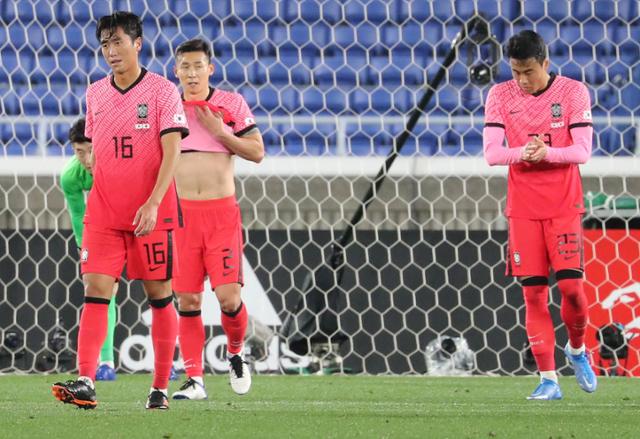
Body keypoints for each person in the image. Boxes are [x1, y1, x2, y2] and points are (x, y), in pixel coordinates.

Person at [51, 11, 188, 410]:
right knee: (95, 290)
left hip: (152, 214)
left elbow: (173, 150)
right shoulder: (95, 94)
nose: (111, 52)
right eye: (105, 45)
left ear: (137, 43)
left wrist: (154, 200)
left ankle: (159, 387)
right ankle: (86, 380)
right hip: (105, 213)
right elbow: (98, 152)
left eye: (118, 43)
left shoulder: (162, 91)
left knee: (159, 296)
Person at [483, 30, 597, 400]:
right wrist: (525, 153)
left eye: (528, 71)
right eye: (515, 71)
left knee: (572, 290)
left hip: (564, 205)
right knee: (533, 295)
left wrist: (545, 154)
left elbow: (581, 152)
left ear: (545, 63)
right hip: (523, 210)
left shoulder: (573, 92)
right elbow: (492, 154)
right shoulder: (499, 94)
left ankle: (577, 350)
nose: (521, 80)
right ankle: (549, 380)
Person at [169, 38, 264, 400]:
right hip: (181, 217)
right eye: (185, 67)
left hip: (221, 214)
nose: (192, 73)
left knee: (228, 298)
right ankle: (195, 379)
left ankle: (236, 353)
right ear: (175, 71)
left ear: (210, 68)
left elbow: (257, 152)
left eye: (198, 66)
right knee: (188, 300)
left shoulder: (230, 104)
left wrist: (221, 132)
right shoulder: (169, 108)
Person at [60, 118, 118, 381]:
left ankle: (170, 362)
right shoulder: (71, 177)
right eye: (78, 151)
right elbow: (77, 216)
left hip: (139, 222)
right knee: (101, 290)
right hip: (102, 229)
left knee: (159, 291)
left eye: (89, 150)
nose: (85, 158)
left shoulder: (121, 164)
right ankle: (105, 362)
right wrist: (86, 251)